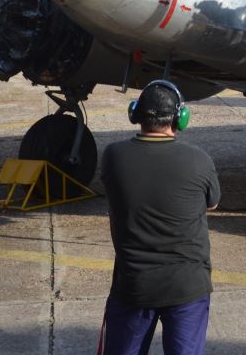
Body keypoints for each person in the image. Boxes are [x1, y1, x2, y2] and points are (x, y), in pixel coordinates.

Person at [98, 80, 220, 355]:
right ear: (181, 119)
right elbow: (212, 203)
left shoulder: (113, 156)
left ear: (135, 114)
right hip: (187, 285)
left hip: (134, 285)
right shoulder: (199, 159)